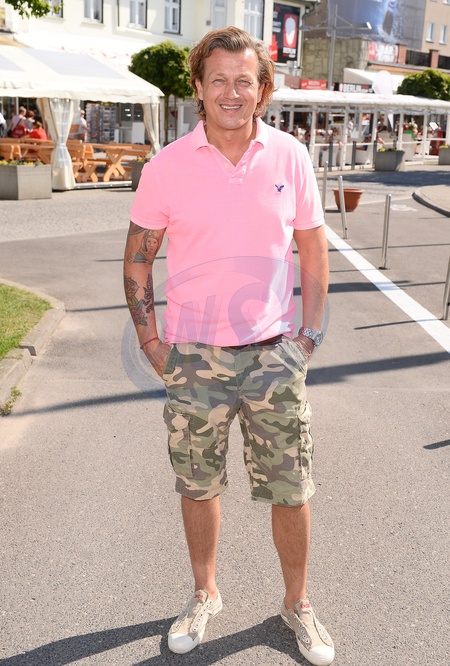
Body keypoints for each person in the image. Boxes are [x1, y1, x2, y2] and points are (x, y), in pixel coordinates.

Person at [124, 27, 334, 666]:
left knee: (291, 489)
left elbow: (313, 249)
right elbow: (138, 258)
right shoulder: (166, 167)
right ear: (198, 87)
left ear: (263, 89)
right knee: (198, 485)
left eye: (245, 80)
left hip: (274, 355)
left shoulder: (290, 156)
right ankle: (204, 593)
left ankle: (296, 603)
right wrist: (151, 341)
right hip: (194, 358)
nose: (231, 92)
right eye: (218, 79)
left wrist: (309, 336)